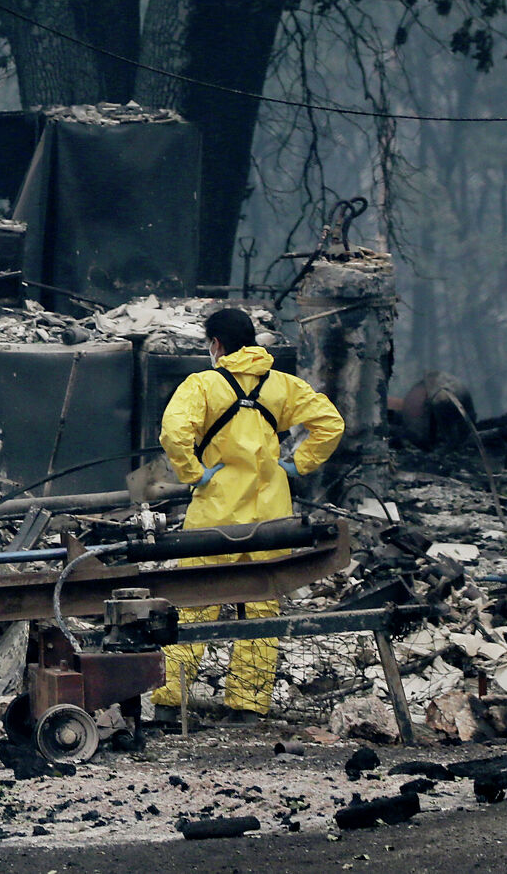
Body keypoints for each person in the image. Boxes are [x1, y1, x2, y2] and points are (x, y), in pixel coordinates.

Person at [146, 307, 345, 720]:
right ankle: (248, 707)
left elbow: (173, 432)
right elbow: (330, 423)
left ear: (216, 344)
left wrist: (194, 474)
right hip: (273, 521)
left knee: (194, 601)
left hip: (216, 517)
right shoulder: (283, 386)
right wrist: (297, 464)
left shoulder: (203, 385)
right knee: (261, 607)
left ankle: (169, 704)